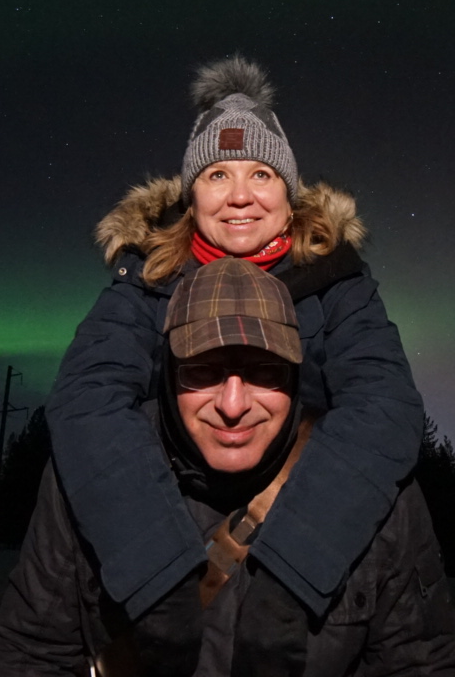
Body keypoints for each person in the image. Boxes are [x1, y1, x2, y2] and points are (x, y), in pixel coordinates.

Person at [44, 57, 426, 620]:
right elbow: (86, 399)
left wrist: (297, 562)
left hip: (304, 519)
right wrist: (155, 570)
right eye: (218, 175)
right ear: (191, 196)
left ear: (288, 192)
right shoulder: (148, 278)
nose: (240, 196)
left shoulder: (337, 280)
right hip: (178, 510)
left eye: (261, 174)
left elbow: (385, 405)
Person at [0, 258, 455, 675]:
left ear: (296, 377)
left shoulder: (378, 489)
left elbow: (421, 662)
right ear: (169, 376)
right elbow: (32, 655)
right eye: (202, 371)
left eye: (264, 371)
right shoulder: (86, 474)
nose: (233, 405)